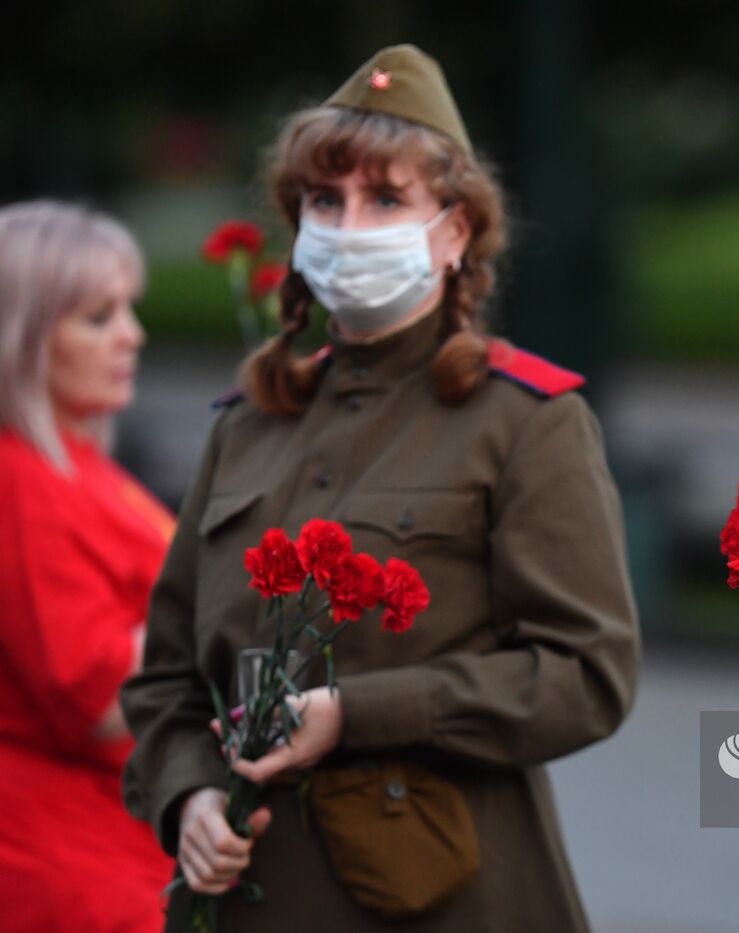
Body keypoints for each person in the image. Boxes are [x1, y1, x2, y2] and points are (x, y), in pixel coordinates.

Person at [119, 45, 639, 931]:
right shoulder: (247, 422)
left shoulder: (523, 419)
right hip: (247, 901)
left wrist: (357, 712)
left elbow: (586, 675)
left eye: (386, 199)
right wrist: (189, 800)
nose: (349, 225)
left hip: (438, 898)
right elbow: (167, 677)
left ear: (456, 232)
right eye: (326, 200)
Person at [0, 200, 175, 931]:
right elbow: (96, 693)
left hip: (118, 838)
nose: (130, 334)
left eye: (127, 309)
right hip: (72, 870)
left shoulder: (72, 462)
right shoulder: (20, 481)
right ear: (25, 337)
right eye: (99, 317)